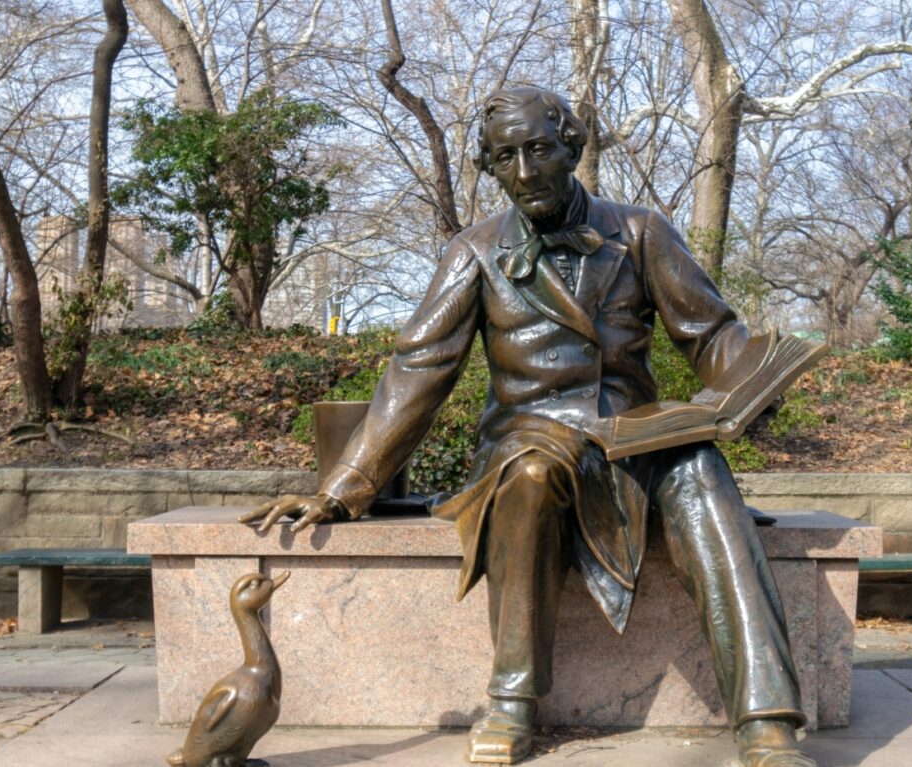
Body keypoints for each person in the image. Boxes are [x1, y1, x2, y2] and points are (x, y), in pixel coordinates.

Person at [243, 85, 813, 767]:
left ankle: (767, 720)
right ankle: (513, 701)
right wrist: (343, 486)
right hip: (529, 442)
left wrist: (752, 380)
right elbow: (418, 369)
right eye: (505, 156)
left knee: (703, 472)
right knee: (532, 476)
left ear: (571, 146)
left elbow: (711, 333)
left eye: (538, 149)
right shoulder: (475, 252)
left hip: (634, 441)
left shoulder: (640, 233)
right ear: (489, 165)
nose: (524, 171)